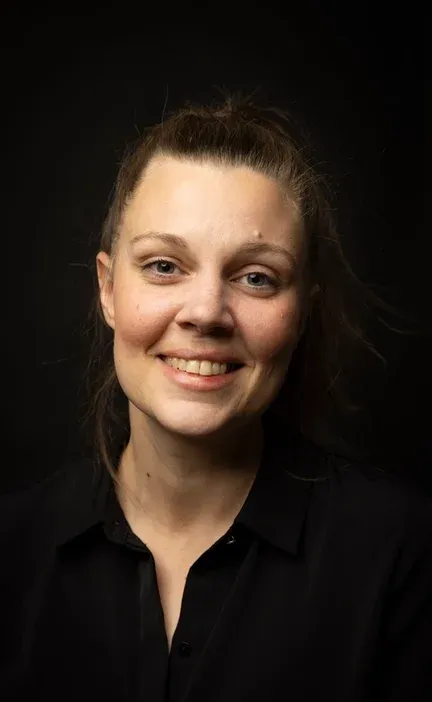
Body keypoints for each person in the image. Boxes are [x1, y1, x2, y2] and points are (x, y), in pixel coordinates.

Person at [1, 91, 431, 701]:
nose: (206, 312)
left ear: (301, 315)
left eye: (256, 277)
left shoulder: (401, 555)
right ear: (108, 289)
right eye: (163, 266)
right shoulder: (10, 552)